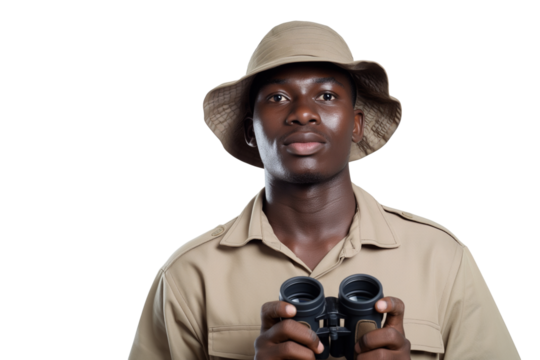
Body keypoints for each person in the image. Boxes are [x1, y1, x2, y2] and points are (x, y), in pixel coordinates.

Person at [128, 19, 520, 359]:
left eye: (327, 95)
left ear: (356, 124)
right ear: (251, 130)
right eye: (278, 97)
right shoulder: (190, 276)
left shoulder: (442, 260)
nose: (302, 112)